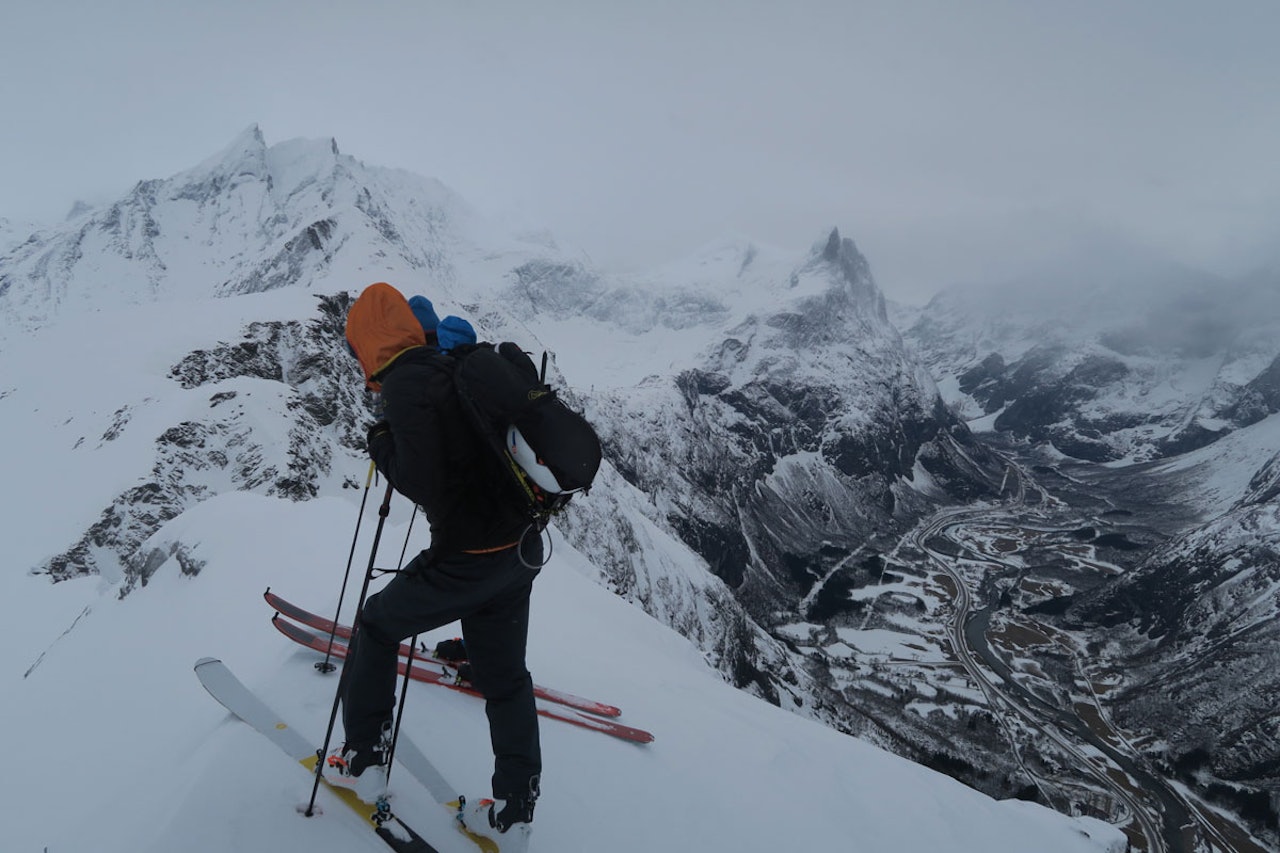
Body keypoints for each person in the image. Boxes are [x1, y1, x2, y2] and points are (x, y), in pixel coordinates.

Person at [331, 281, 542, 849]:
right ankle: (513, 813)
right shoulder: (454, 369)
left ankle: (361, 759)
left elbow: (422, 480)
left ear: (368, 342)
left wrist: (380, 440)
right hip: (519, 552)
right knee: (504, 681)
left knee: (376, 624)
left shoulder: (408, 383)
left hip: (467, 561)